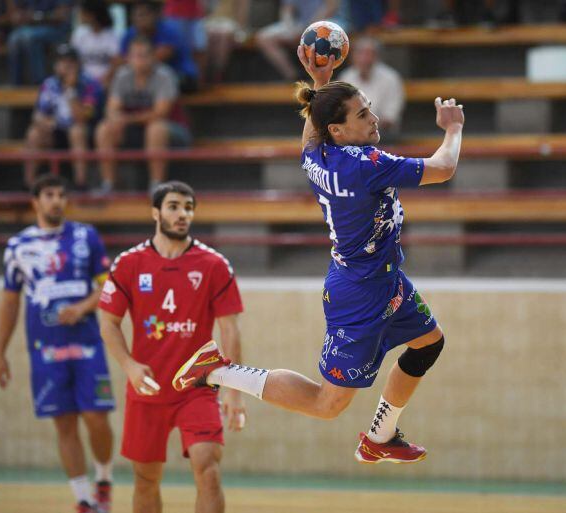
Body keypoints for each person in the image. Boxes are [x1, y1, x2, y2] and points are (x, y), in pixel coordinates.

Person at [172, 47, 464, 463]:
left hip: (381, 278)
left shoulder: (317, 153)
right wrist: (452, 129)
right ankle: (216, 370)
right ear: (339, 131)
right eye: (363, 115)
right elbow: (443, 168)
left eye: (369, 108)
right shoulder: (366, 164)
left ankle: (380, 435)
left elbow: (314, 130)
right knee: (327, 403)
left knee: (428, 343)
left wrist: (321, 81)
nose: (374, 118)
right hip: (361, 294)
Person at [97, 181, 247, 513]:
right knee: (145, 478)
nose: (183, 214)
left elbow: (230, 329)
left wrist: (234, 390)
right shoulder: (128, 264)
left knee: (207, 467)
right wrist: (130, 366)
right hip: (147, 387)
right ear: (156, 212)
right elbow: (108, 323)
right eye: (174, 206)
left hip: (197, 385)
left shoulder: (214, 265)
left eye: (189, 208)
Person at [0, 174, 115, 513]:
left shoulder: (85, 236)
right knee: (64, 422)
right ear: (36, 201)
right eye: (49, 195)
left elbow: (107, 287)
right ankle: (83, 499)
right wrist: (0, 353)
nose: (56, 200)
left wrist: (82, 308)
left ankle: (103, 479)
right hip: (45, 349)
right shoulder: (18, 246)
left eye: (61, 195)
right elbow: (9, 302)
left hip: (88, 344)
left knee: (96, 417)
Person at [95, 36, 191, 195]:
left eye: (143, 55)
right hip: (135, 130)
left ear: (153, 57)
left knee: (156, 128)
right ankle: (109, 185)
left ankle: (156, 185)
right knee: (104, 128)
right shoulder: (122, 75)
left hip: (173, 132)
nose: (139, 60)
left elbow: (160, 113)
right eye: (135, 55)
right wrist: (115, 119)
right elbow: (111, 108)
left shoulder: (164, 75)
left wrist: (125, 119)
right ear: (128, 58)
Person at [23, 44, 102, 191]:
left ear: (78, 64)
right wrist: (47, 124)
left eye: (70, 62)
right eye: (61, 61)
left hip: (85, 134)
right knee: (34, 134)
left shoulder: (90, 84)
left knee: (76, 131)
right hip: (55, 131)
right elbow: (38, 115)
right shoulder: (49, 84)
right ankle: (28, 185)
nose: (65, 66)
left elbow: (83, 117)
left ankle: (81, 184)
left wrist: (71, 90)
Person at [117, 0, 200, 92]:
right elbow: (120, 59)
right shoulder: (130, 33)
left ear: (155, 16)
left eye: (142, 15)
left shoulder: (169, 30)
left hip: (182, 76)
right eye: (135, 15)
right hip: (148, 76)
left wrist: (132, 60)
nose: (138, 19)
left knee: (155, 82)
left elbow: (152, 60)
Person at [338, 36, 405, 139]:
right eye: (360, 53)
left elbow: (390, 118)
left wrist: (364, 127)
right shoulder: (346, 77)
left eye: (370, 54)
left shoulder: (391, 78)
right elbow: (340, 111)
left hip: (382, 133)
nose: (365, 59)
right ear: (353, 57)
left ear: (377, 57)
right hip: (351, 131)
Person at [254, 0, 338, 81]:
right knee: (263, 38)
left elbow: (331, 7)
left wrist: (309, 28)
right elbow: (287, 10)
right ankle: (294, 77)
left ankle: (324, 78)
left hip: (330, 21)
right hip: (300, 25)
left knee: (322, 35)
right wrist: (291, 29)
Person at [7, 0, 72, 84]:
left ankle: (38, 82)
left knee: (30, 37)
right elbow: (17, 12)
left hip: (56, 29)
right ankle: (16, 83)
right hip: (32, 28)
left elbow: (62, 15)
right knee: (13, 38)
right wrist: (20, 16)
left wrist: (37, 16)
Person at [72, 0, 119, 88]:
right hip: (82, 81)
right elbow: (73, 60)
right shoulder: (79, 33)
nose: (80, 16)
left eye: (83, 13)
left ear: (92, 15)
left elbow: (115, 63)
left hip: (105, 81)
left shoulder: (111, 35)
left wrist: (104, 79)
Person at [204, 0, 250, 83]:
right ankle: (207, 72)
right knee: (210, 34)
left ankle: (219, 71)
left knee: (224, 35)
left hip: (230, 21)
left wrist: (240, 31)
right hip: (211, 20)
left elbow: (242, 13)